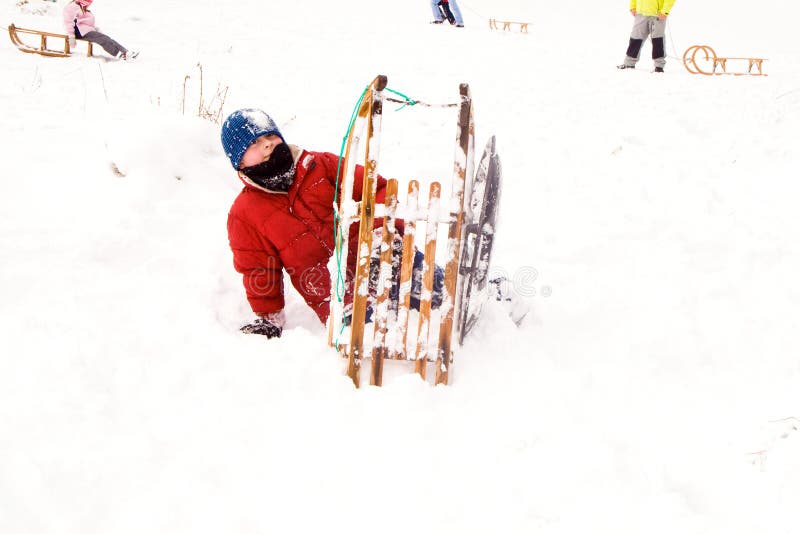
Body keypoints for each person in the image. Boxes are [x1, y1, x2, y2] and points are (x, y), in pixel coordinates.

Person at [221, 109, 443, 338]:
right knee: (375, 334)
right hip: (338, 297)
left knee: (439, 294)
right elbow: (258, 267)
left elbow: (378, 189)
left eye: (270, 136)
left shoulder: (320, 166)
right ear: (238, 161)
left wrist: (379, 232)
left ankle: (450, 299)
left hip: (381, 256)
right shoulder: (245, 214)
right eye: (255, 142)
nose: (267, 144)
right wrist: (269, 318)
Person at [62, 0, 137, 60]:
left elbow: (90, 24)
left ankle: (125, 52)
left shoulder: (83, 8)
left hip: (88, 31)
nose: (89, 4)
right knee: (103, 40)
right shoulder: (72, 6)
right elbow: (68, 22)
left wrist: (98, 31)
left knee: (107, 38)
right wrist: (71, 36)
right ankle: (120, 55)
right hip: (82, 33)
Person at [616, 0, 675, 72]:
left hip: (658, 15)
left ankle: (659, 66)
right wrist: (633, 6)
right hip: (641, 13)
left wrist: (665, 11)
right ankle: (629, 63)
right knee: (635, 38)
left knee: (657, 40)